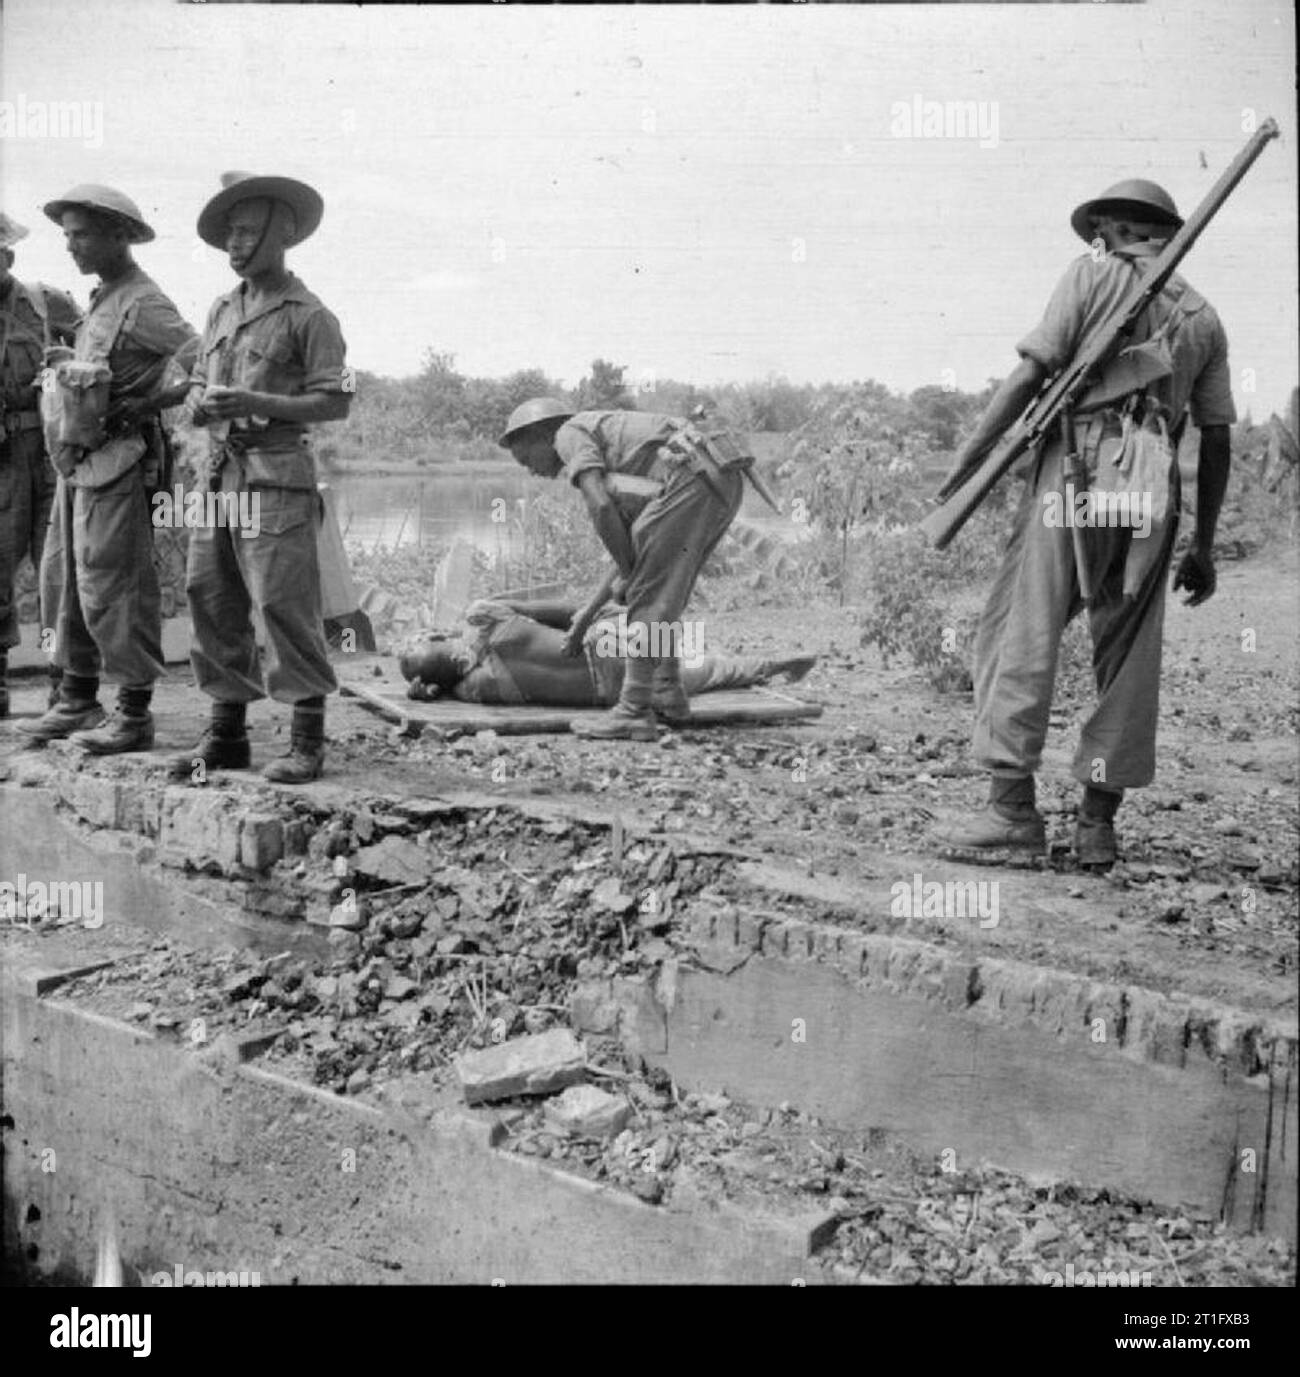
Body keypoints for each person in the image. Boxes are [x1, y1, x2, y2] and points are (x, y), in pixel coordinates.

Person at [941, 178, 1235, 871]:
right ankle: (1097, 826)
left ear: (1108, 229)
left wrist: (964, 466)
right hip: (1153, 489)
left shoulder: (1091, 274)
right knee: (1129, 653)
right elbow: (1216, 438)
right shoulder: (1204, 317)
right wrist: (1203, 544)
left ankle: (1012, 810)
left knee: (1019, 626)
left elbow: (1028, 377)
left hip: (1075, 471)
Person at [169, 173, 350, 784]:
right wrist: (198, 403)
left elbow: (335, 401)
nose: (236, 245)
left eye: (248, 232)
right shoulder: (222, 308)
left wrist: (254, 399)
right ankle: (226, 735)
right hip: (218, 476)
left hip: (275, 479)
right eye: (230, 235)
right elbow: (197, 379)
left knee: (282, 604)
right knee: (212, 598)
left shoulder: (311, 316)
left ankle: (307, 741)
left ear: (285, 233)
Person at [19, 186, 197, 752]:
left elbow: (203, 360)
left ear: (119, 235)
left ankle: (134, 713)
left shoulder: (145, 303)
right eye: (67, 235)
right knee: (64, 580)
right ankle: (76, 699)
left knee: (116, 588)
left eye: (82, 234)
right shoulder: (103, 298)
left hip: (120, 464)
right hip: (81, 465)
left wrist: (148, 404)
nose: (71, 245)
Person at [499, 399, 754, 740]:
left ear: (540, 434)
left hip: (692, 479)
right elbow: (635, 554)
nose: (530, 469)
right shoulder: (623, 459)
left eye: (525, 458)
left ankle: (633, 710)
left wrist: (630, 573)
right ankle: (667, 692)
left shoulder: (568, 434)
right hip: (721, 481)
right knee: (663, 598)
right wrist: (591, 611)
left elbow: (601, 507)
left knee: (649, 601)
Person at [399, 596, 816, 707]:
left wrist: (432, 690)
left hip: (613, 691)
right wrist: (607, 612)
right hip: (604, 644)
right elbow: (563, 611)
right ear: (438, 636)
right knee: (676, 644)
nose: (418, 635)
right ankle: (762, 661)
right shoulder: (484, 619)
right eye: (418, 639)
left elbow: (450, 684)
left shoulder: (476, 690)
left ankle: (762, 667)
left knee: (710, 673)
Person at [0, 211, 80, 718]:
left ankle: (65, 680)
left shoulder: (46, 303)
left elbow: (98, 354)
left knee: (61, 567)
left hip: (50, 452)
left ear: (7, 257)